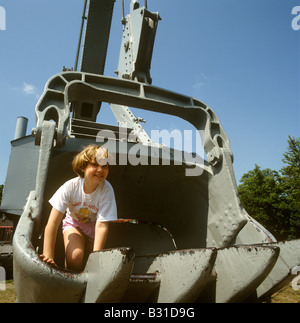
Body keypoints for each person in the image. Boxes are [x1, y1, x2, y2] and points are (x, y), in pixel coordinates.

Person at [40, 145, 117, 272]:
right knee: (75, 257)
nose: (100, 169)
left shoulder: (107, 190)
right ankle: (70, 280)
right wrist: (48, 256)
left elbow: (102, 226)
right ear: (83, 167)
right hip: (74, 224)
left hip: (94, 227)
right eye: (95, 164)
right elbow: (53, 223)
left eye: (104, 166)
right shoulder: (70, 187)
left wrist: (95, 259)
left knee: (92, 261)